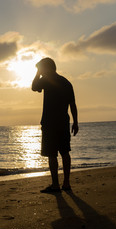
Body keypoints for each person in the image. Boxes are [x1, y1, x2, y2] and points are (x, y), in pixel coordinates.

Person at [32, 58, 79, 193]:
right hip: (63, 122)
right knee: (65, 152)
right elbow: (73, 104)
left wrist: (38, 73)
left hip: (50, 123)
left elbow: (34, 87)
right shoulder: (66, 82)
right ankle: (66, 183)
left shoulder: (46, 80)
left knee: (52, 154)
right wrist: (75, 122)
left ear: (46, 68)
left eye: (41, 68)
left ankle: (55, 185)